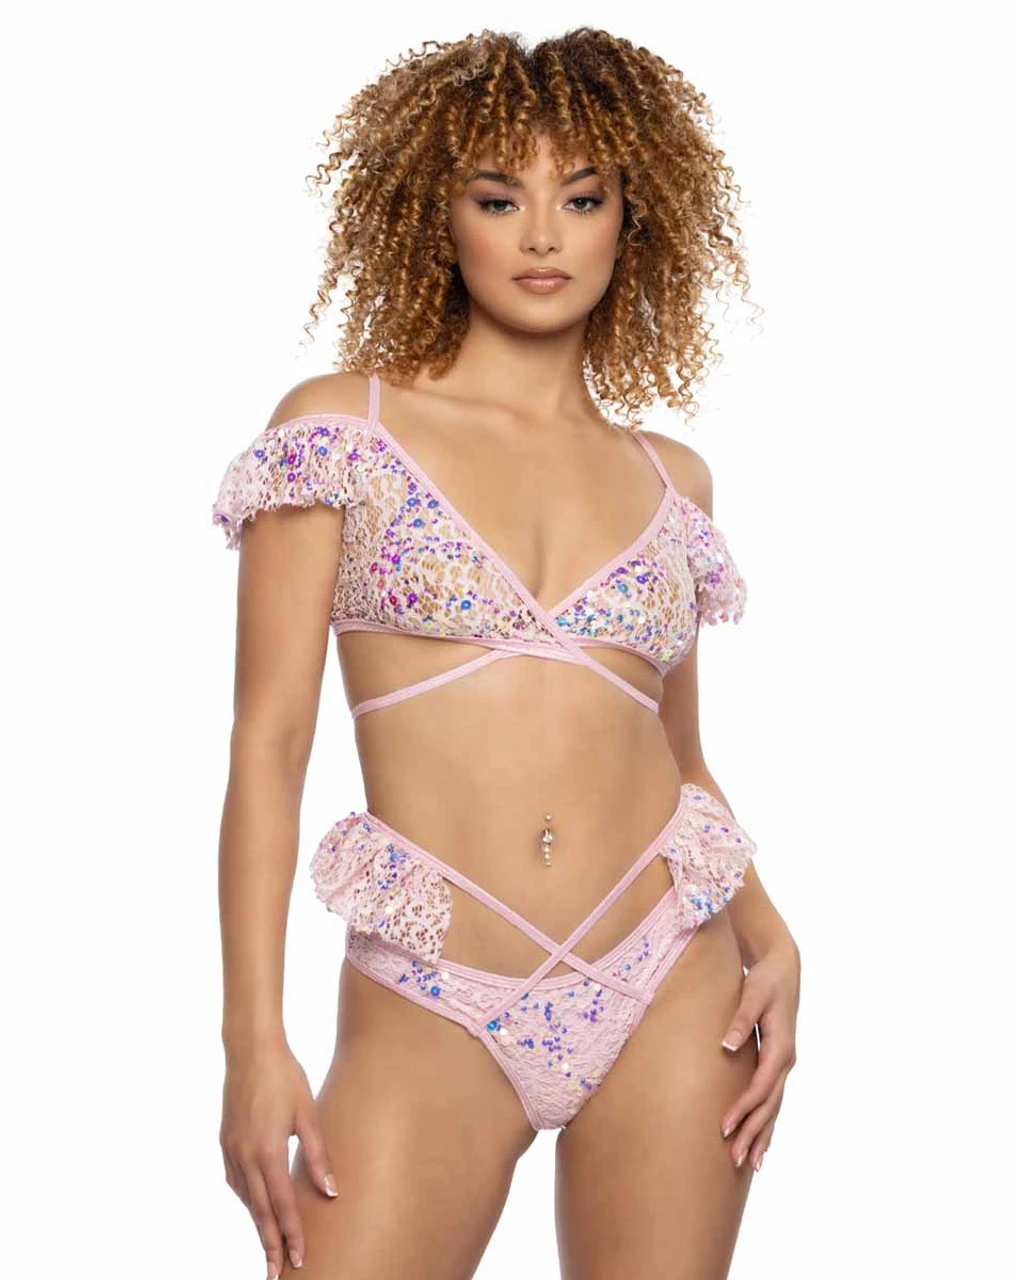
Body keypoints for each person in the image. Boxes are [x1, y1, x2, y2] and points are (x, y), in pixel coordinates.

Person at [212, 27, 800, 1280]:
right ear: (439, 217)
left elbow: (679, 757)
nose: (542, 235)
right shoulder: (341, 430)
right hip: (435, 994)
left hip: (671, 976)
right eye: (498, 198)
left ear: (631, 220)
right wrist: (251, 1041)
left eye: (580, 198)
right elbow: (268, 744)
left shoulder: (669, 479)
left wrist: (770, 934)